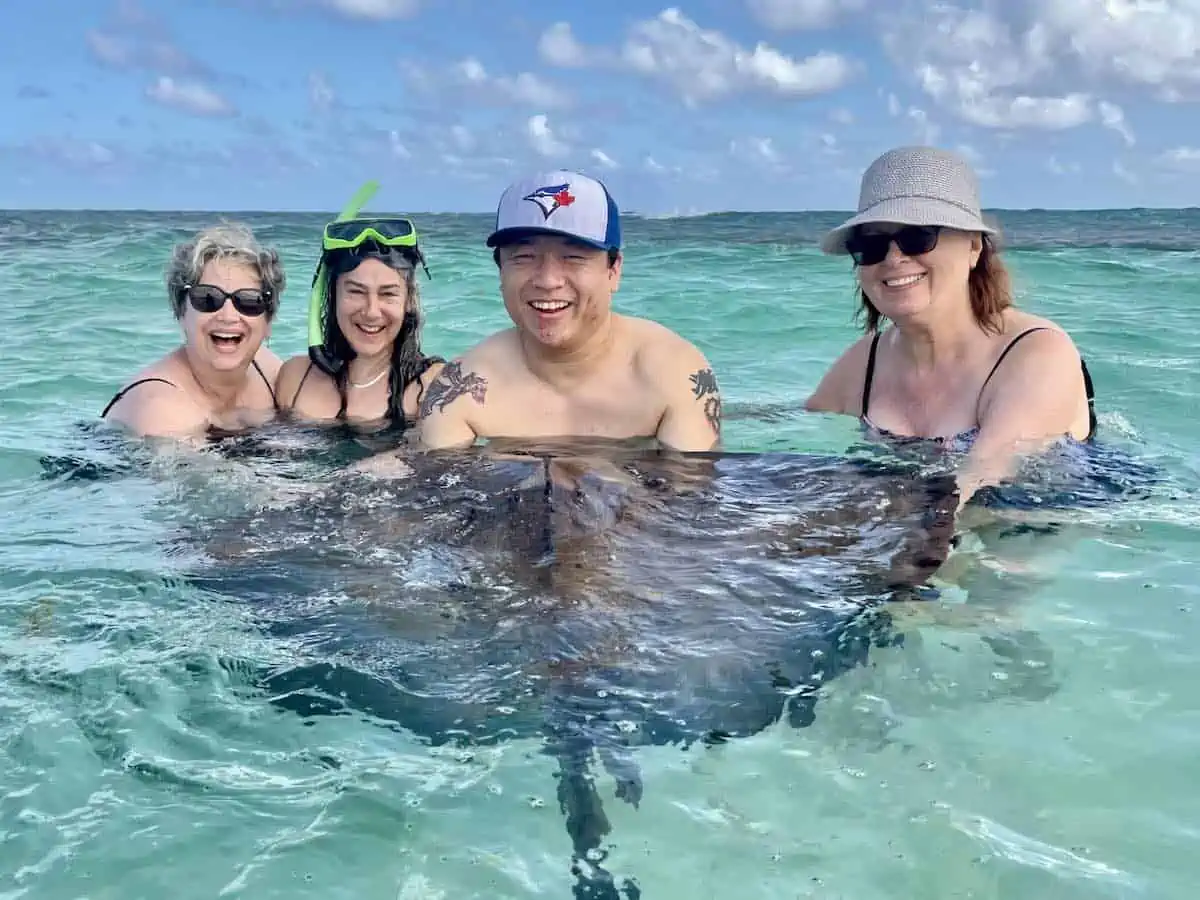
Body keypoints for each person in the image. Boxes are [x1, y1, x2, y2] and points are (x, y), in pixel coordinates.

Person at [805, 145, 1097, 506]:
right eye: (872, 243)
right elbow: (792, 427)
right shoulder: (866, 359)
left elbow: (980, 482)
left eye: (918, 236)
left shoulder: (1037, 353)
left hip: (1024, 531)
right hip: (920, 527)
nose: (895, 257)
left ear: (974, 247)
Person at [414, 169, 721, 453]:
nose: (548, 280)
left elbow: (691, 500)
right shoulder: (460, 389)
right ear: (501, 270)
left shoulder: (674, 374)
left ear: (613, 271)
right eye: (524, 256)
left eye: (573, 257)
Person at [101, 222, 285, 440]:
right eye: (208, 299)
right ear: (181, 312)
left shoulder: (266, 371)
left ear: (268, 321)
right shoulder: (162, 408)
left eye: (248, 301)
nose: (228, 316)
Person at [275, 215, 444, 430]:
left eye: (388, 294)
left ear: (409, 300)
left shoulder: (431, 388)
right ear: (332, 295)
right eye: (356, 291)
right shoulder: (295, 377)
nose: (372, 312)